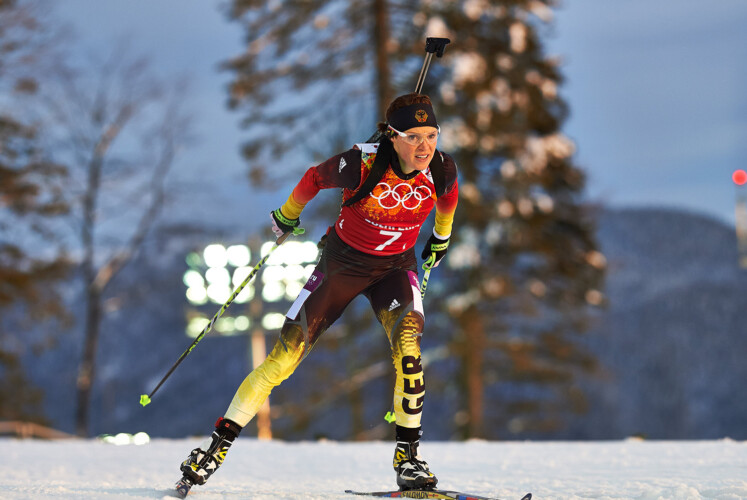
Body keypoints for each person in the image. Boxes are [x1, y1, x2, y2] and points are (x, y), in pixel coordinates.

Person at [178, 92, 459, 492]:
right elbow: (313, 178)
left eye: (431, 135)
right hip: (341, 267)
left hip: (395, 270)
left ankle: (408, 458)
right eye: (413, 137)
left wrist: (441, 237)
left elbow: (448, 196)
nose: (424, 146)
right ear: (392, 137)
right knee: (283, 359)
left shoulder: (442, 167)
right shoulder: (362, 163)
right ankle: (214, 449)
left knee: (410, 356)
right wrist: (287, 216)